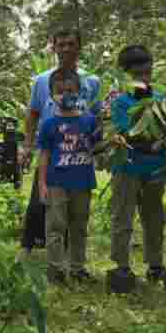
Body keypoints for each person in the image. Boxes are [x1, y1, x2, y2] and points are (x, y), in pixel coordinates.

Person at [19, 28, 102, 257]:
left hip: (78, 153)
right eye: (61, 44)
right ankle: (27, 245)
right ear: (54, 47)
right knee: (40, 198)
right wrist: (27, 146)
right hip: (50, 149)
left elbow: (97, 115)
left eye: (71, 44)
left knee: (74, 206)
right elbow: (33, 113)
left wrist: (99, 146)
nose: (66, 48)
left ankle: (67, 254)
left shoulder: (92, 82)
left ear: (79, 47)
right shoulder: (42, 80)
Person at [107, 45, 166, 284]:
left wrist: (163, 141)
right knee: (123, 216)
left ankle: (156, 265)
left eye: (147, 72)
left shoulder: (162, 99)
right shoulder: (121, 102)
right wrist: (153, 139)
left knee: (155, 218)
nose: (144, 78)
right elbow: (127, 133)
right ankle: (122, 266)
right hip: (127, 167)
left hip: (155, 167)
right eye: (137, 74)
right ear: (126, 75)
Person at [36, 69, 102, 285]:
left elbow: (97, 147)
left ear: (79, 92)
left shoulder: (90, 121)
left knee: (79, 226)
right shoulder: (48, 125)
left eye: (70, 90)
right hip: (56, 183)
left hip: (82, 182)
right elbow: (44, 155)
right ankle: (55, 269)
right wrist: (42, 184)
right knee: (55, 227)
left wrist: (111, 140)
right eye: (60, 91)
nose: (65, 95)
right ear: (51, 94)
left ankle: (77, 268)